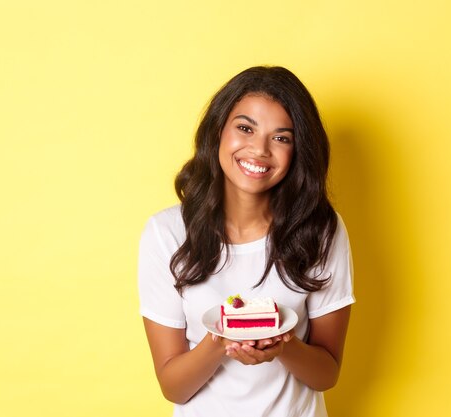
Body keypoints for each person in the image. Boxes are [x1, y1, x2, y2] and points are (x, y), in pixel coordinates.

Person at [138, 66, 355, 417]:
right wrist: (222, 341)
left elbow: (326, 373)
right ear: (218, 131)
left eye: (281, 138)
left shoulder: (322, 230)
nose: (259, 150)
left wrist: (281, 345)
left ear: (298, 151)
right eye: (245, 128)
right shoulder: (167, 233)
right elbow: (172, 386)